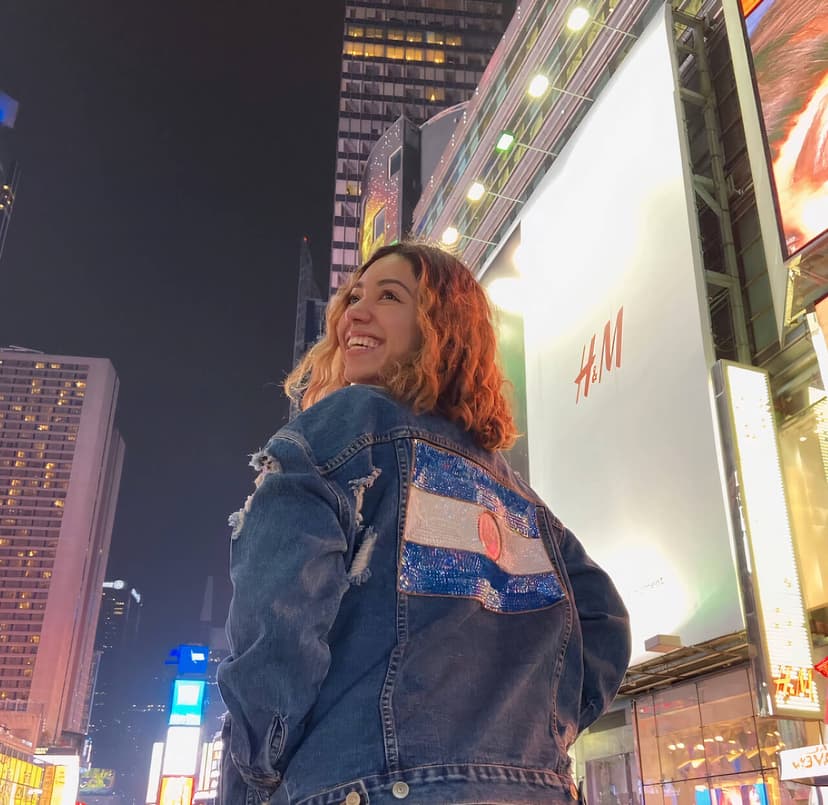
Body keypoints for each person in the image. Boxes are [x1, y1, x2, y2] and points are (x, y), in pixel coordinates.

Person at [217, 242, 631, 805]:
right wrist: (538, 739)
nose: (354, 313)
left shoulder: (338, 427)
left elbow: (277, 616)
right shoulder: (516, 495)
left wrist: (260, 769)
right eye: (353, 297)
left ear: (442, 327)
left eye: (389, 297)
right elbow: (604, 620)